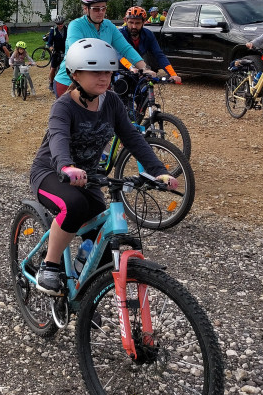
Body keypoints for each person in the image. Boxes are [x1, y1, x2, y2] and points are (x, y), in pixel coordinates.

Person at [30, 38, 177, 295]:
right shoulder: (63, 106)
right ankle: (50, 265)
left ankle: (81, 295)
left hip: (88, 178)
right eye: (96, 71)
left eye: (108, 71)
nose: (104, 78)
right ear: (75, 74)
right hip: (52, 173)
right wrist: (66, 166)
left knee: (103, 240)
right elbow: (58, 140)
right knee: (74, 207)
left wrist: (158, 171)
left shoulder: (110, 101)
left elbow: (132, 137)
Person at [52, 0, 151, 98]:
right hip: (70, 81)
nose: (101, 12)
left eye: (104, 8)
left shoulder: (109, 26)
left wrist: (144, 68)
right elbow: (78, 53)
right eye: (96, 9)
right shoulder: (76, 25)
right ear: (86, 9)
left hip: (100, 80)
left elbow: (126, 49)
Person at [121, 7, 182, 83]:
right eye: (131, 22)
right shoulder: (119, 34)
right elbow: (118, 55)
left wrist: (172, 74)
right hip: (121, 68)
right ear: (126, 21)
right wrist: (131, 67)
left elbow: (159, 55)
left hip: (139, 68)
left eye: (137, 23)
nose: (134, 26)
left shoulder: (148, 35)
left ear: (143, 22)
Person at [44, 17, 67, 92]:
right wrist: (52, 49)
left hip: (65, 50)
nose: (60, 25)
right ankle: (51, 83)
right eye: (58, 24)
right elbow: (49, 43)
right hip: (56, 51)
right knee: (53, 68)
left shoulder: (67, 29)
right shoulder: (53, 31)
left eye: (61, 23)